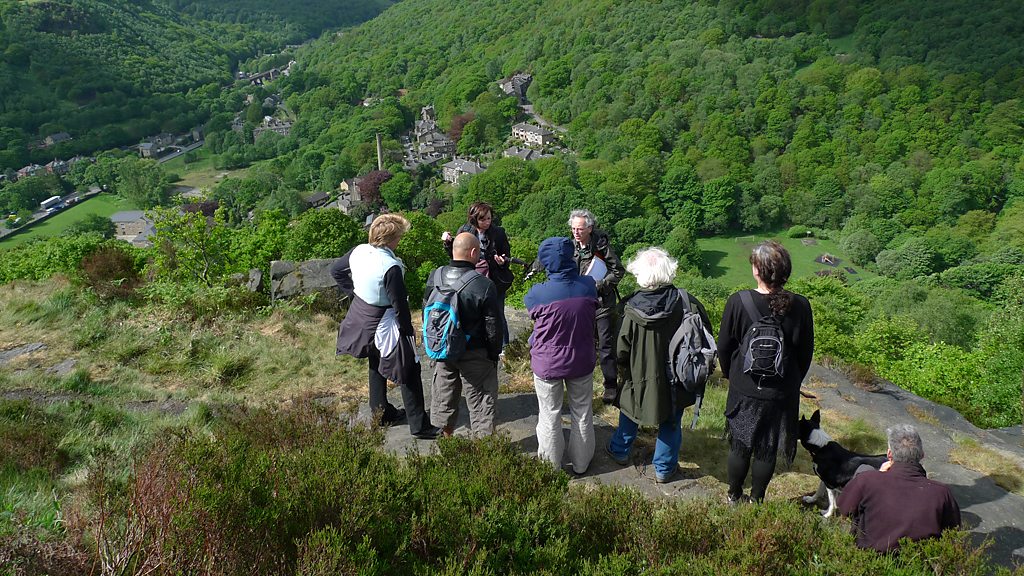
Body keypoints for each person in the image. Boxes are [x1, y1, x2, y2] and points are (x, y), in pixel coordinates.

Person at [717, 240, 814, 503]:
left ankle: (734, 496)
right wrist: (792, 382)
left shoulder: (738, 301)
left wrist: (731, 374)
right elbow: (806, 353)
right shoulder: (802, 305)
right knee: (766, 448)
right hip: (781, 391)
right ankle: (757, 498)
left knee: (740, 444)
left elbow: (724, 346)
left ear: (757, 271)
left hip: (745, 387)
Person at [606, 247, 712, 483]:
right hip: (677, 376)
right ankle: (664, 468)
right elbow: (704, 337)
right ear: (668, 271)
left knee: (630, 410)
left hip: (638, 375)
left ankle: (620, 450)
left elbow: (620, 349)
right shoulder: (686, 302)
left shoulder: (629, 307)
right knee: (671, 421)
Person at [331, 213, 440, 440]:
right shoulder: (390, 267)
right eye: (399, 236)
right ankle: (419, 426)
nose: (400, 240)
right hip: (384, 320)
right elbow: (399, 304)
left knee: (375, 361)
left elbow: (336, 271)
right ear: (391, 239)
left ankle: (380, 413)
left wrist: (354, 292)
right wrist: (408, 332)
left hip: (361, 314)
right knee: (409, 369)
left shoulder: (358, 251)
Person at [525, 237, 599, 474]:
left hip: (548, 363)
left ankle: (551, 466)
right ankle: (581, 463)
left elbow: (533, 315)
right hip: (581, 360)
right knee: (582, 412)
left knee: (549, 415)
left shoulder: (537, 293)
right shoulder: (588, 285)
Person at [425, 232, 504, 437]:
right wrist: (494, 354)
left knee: (444, 398)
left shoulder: (436, 276)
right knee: (481, 402)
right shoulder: (483, 284)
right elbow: (493, 326)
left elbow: (427, 308)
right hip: (474, 351)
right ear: (473, 252)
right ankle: (483, 452)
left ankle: (447, 444)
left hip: (442, 348)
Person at [838, 424, 961, 552]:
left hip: (869, 559)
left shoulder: (866, 480)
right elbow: (952, 533)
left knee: (864, 470)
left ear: (889, 454)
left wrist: (878, 474)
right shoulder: (941, 493)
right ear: (922, 455)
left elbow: (844, 509)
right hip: (917, 565)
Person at [568, 209, 625, 404]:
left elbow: (618, 270)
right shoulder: (570, 246)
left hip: (602, 304)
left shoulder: (602, 245)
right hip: (579, 304)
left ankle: (610, 385)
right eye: (573, 228)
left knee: (606, 346)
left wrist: (600, 285)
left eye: (580, 229)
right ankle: (581, 382)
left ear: (590, 228)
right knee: (581, 343)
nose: (576, 232)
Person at [442, 201, 514, 345]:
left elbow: (506, 254)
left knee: (498, 313)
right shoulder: (465, 231)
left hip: (494, 279)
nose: (487, 222)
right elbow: (457, 255)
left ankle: (504, 346)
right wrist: (448, 243)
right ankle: (477, 342)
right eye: (483, 219)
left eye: (489, 218)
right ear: (474, 219)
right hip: (471, 280)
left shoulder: (498, 233)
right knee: (472, 313)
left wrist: (502, 261)